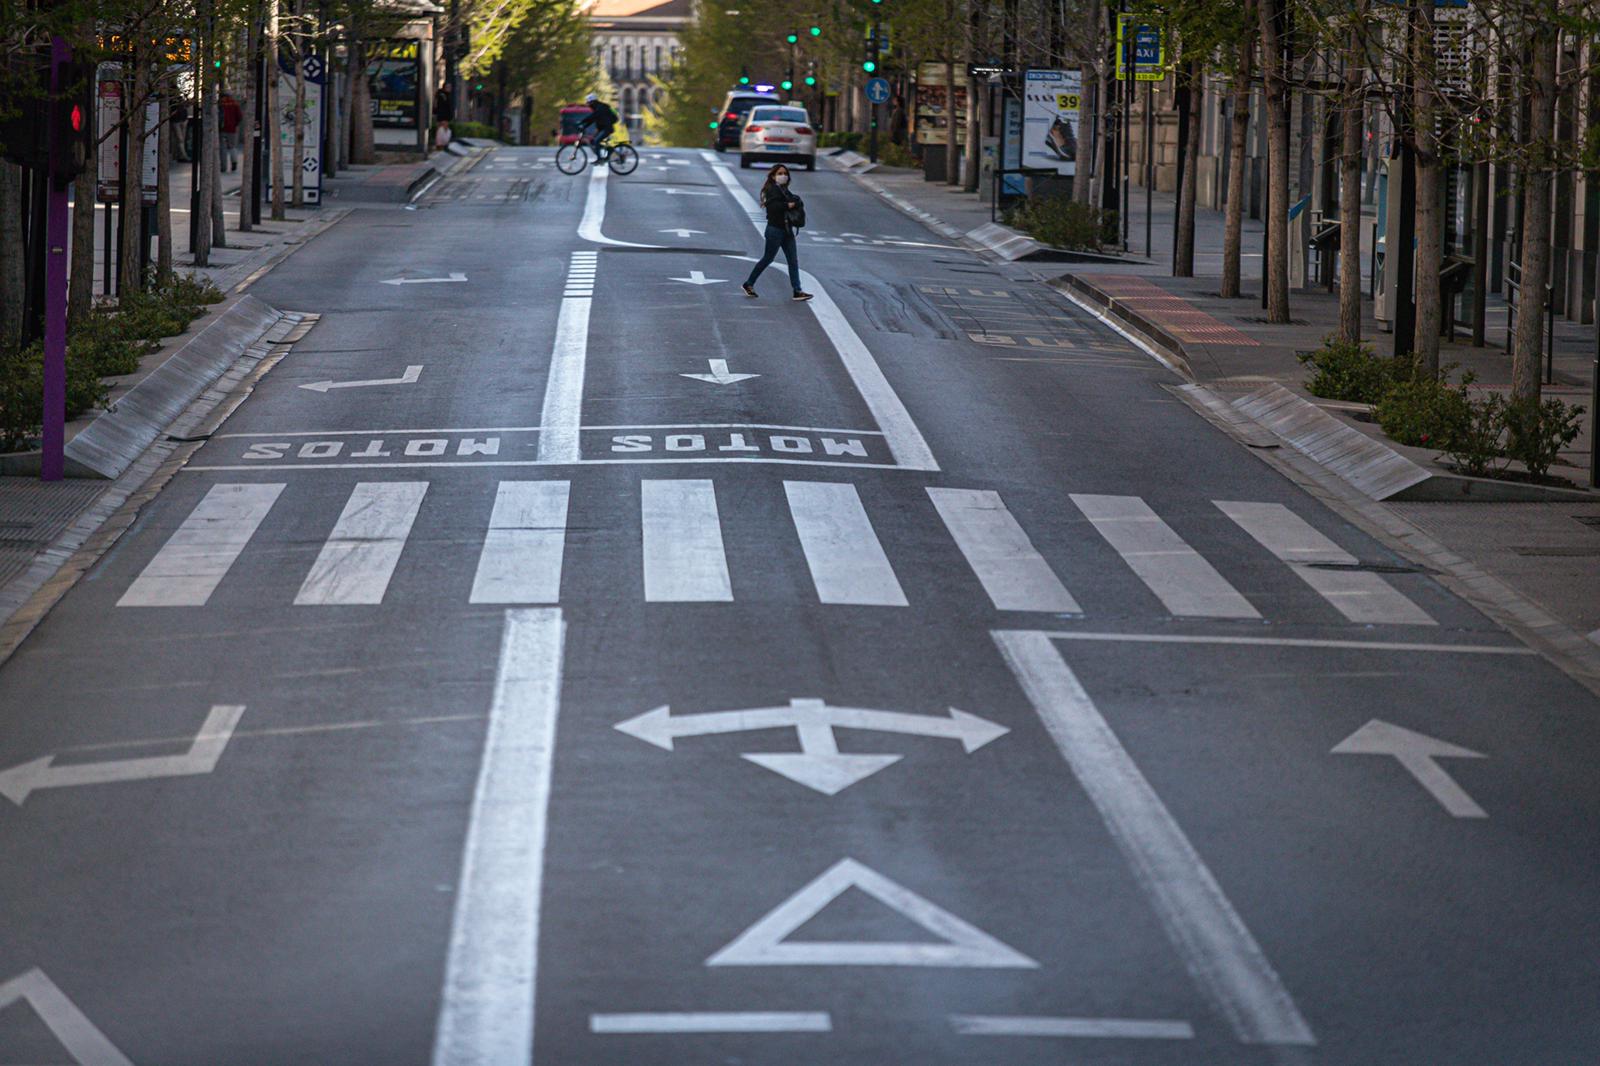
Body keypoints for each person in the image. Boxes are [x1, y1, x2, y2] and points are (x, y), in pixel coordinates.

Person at [742, 164, 812, 301]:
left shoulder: (784, 190)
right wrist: (788, 205)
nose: (783, 176)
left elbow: (794, 201)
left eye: (785, 173)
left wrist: (795, 202)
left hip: (787, 230)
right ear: (773, 176)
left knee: (793, 260)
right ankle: (748, 283)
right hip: (775, 230)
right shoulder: (771, 190)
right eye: (779, 173)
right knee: (768, 258)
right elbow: (772, 208)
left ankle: (797, 291)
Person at [576, 93, 619, 159]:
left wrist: (581, 122)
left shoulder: (600, 108)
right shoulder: (597, 107)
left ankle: (600, 159)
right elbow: (592, 120)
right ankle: (609, 150)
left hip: (607, 128)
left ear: (592, 102)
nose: (588, 104)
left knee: (596, 141)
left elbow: (592, 117)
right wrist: (584, 126)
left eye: (588, 102)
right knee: (593, 141)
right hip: (603, 128)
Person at [220, 93, 242, 172]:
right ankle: (234, 163)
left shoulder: (221, 105)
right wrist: (235, 124)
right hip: (232, 129)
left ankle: (223, 166)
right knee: (232, 147)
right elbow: (239, 117)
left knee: (223, 148)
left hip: (222, 129)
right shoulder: (235, 104)